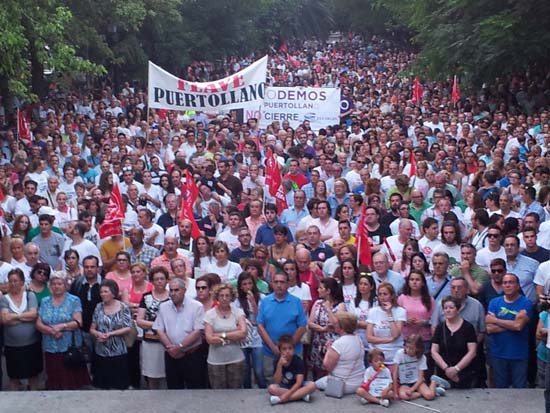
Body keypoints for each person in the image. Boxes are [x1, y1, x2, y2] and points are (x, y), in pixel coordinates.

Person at [37, 271, 91, 389]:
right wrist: (51, 331)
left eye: (59, 283)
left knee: (71, 383)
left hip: (69, 348)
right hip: (50, 347)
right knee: (54, 382)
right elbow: (38, 323)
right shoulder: (45, 301)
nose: (56, 286)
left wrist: (62, 327)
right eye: (54, 283)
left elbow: (78, 322)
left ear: (65, 285)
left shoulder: (74, 300)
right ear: (50, 285)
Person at [154, 277, 207, 389]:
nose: (173, 293)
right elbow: (159, 330)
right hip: (171, 355)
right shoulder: (163, 307)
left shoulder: (196, 306)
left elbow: (197, 331)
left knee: (195, 390)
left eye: (176, 290)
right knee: (173, 390)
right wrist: (171, 348)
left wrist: (179, 347)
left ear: (184, 290)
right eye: (171, 290)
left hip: (192, 355)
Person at [486, 273, 533, 388]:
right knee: (500, 389)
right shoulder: (494, 302)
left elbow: (518, 326)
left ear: (517, 286)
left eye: (511, 282)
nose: (507, 285)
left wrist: (496, 320)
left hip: (519, 354)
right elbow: (489, 328)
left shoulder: (526, 303)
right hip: (498, 353)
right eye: (505, 283)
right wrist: (512, 324)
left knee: (519, 390)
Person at [257, 272, 307, 380]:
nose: (279, 285)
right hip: (270, 351)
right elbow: (260, 326)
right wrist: (274, 347)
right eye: (276, 282)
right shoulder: (265, 302)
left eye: (282, 282)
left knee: (293, 382)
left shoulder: (296, 302)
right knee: (271, 382)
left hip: (294, 352)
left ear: (288, 284)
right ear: (272, 283)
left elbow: (302, 326)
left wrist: (287, 348)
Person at [0, 268, 42, 390]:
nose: (13, 283)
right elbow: (5, 319)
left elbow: (34, 315)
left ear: (22, 282)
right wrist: (25, 316)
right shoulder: (4, 299)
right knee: (14, 377)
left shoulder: (30, 295)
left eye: (16, 280)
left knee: (33, 376)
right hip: (12, 346)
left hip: (31, 344)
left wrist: (15, 317)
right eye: (11, 281)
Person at [89, 279, 132, 390]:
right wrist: (98, 334)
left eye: (106, 291)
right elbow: (92, 328)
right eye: (101, 292)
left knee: (119, 385)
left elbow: (128, 327)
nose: (102, 294)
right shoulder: (98, 307)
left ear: (113, 293)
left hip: (118, 350)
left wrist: (110, 334)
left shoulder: (123, 307)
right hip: (101, 351)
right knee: (103, 385)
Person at [204, 283, 247, 389]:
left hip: (236, 359)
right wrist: (233, 334)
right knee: (218, 394)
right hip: (216, 361)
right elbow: (209, 339)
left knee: (235, 393)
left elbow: (243, 333)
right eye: (221, 295)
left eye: (227, 295)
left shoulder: (238, 312)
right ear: (217, 297)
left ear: (231, 297)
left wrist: (221, 335)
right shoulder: (209, 314)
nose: (224, 298)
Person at [431, 296, 477, 388]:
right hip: (443, 373)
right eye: (445, 308)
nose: (448, 310)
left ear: (458, 309)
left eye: (451, 308)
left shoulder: (468, 327)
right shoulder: (440, 327)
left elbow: (472, 352)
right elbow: (434, 351)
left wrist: (456, 369)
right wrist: (446, 369)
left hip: (463, 374)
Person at [315, 312, 365, 395]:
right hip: (358, 382)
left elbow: (327, 366)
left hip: (342, 385)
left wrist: (328, 350)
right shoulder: (358, 339)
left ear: (341, 327)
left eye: (336, 324)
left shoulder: (339, 343)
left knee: (311, 385)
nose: (334, 325)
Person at [136, 266, 170, 389]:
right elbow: (139, 320)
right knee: (151, 373)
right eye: (156, 279)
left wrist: (155, 324)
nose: (159, 281)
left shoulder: (173, 296)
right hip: (150, 342)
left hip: (168, 341)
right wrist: (159, 325)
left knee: (167, 373)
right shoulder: (146, 297)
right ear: (152, 281)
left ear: (167, 280)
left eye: (162, 278)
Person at [308, 278, 346, 379]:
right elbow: (310, 323)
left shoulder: (340, 306)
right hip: (318, 342)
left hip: (333, 344)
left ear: (328, 291)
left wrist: (328, 309)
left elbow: (337, 325)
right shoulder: (317, 303)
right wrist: (323, 328)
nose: (318, 290)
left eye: (321, 288)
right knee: (318, 372)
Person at [234, 271, 266, 389]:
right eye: (244, 284)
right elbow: (237, 318)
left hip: (258, 337)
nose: (247, 287)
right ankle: (247, 392)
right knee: (245, 370)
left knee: (258, 370)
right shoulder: (237, 301)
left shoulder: (262, 297)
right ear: (240, 286)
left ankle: (264, 389)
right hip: (244, 337)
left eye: (249, 283)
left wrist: (253, 302)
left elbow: (261, 317)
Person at [393, 335, 445, 401]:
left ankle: (433, 382)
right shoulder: (399, 353)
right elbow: (394, 373)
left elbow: (420, 379)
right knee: (403, 396)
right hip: (405, 382)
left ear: (417, 348)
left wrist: (412, 390)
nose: (407, 350)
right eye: (406, 347)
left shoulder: (422, 357)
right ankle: (423, 393)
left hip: (417, 382)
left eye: (411, 348)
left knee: (430, 396)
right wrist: (395, 393)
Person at [268, 335, 317, 405]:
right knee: (271, 388)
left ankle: (281, 399)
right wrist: (279, 365)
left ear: (293, 349)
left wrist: (286, 396)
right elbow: (277, 381)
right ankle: (301, 395)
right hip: (284, 386)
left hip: (297, 386)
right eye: (284, 349)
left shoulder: (298, 360)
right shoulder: (277, 360)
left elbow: (298, 383)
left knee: (312, 385)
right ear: (280, 350)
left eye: (290, 348)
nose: (287, 351)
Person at [367, 282, 407, 366]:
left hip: (394, 355)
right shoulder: (373, 311)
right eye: (380, 294)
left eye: (385, 294)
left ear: (392, 296)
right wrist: (388, 340)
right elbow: (369, 338)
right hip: (377, 356)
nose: (382, 297)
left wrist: (389, 314)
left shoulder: (400, 311)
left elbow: (395, 335)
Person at [398, 270, 435, 351]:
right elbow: (396, 319)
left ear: (423, 283)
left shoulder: (429, 299)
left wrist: (423, 322)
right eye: (412, 279)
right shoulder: (402, 298)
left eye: (417, 280)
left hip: (424, 340)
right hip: (406, 340)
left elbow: (434, 320)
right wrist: (406, 321)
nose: (414, 282)